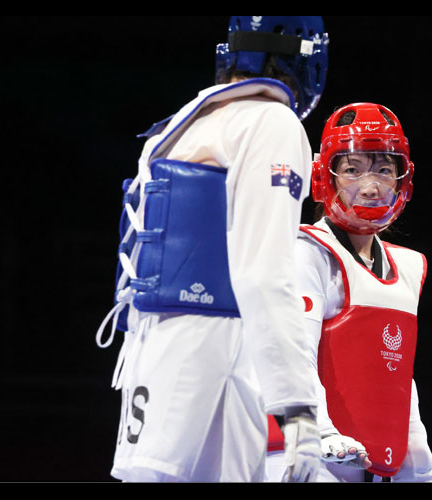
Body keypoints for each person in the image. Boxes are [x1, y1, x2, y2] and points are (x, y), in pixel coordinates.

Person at [95, 16, 329, 482]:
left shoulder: (187, 123)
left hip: (160, 341)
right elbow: (264, 272)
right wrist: (298, 407)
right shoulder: (270, 120)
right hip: (208, 348)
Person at [265, 102, 432, 482]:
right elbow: (291, 355)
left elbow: (397, 381)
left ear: (402, 179)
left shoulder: (409, 267)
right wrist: (319, 433)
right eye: (352, 169)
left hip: (379, 469)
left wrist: (420, 467)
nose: (371, 186)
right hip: (306, 457)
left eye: (384, 169)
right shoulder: (306, 252)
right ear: (325, 175)